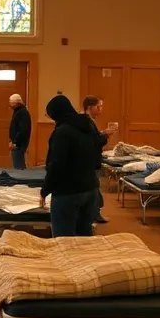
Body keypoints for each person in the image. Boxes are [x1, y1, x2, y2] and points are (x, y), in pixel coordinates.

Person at [39, 94, 102, 237]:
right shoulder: (89, 126)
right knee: (84, 237)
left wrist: (45, 190)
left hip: (67, 192)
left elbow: (56, 166)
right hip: (90, 189)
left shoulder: (62, 132)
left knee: (64, 240)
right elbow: (96, 155)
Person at [82, 95, 116, 224]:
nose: (100, 110)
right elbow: (92, 141)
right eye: (98, 107)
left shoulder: (89, 122)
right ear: (90, 107)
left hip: (93, 161)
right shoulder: (86, 122)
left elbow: (93, 138)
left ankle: (95, 214)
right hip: (91, 162)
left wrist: (102, 134)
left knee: (95, 188)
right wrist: (104, 135)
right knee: (94, 189)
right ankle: (94, 215)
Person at [8, 94, 32, 170]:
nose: (10, 105)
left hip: (19, 144)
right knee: (18, 164)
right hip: (17, 142)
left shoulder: (22, 113)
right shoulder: (18, 112)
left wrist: (15, 142)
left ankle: (21, 180)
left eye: (12, 103)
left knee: (18, 166)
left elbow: (22, 130)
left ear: (17, 103)